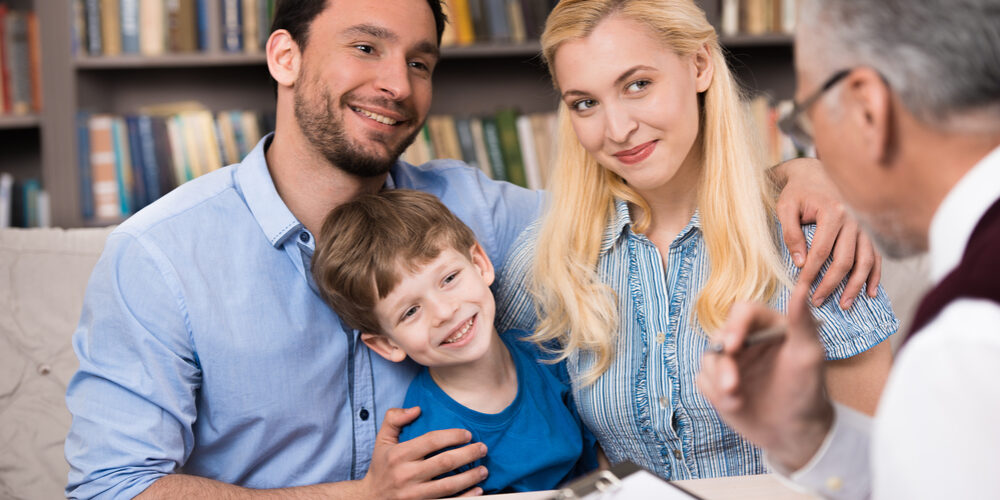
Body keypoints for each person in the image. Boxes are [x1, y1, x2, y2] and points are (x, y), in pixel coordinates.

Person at [64, 0, 883, 498]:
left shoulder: (481, 217)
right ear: (285, 56)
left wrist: (805, 173)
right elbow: (109, 489)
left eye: (419, 61)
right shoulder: (161, 257)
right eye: (364, 46)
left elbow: (658, 191)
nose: (396, 82)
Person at [495, 0, 897, 481]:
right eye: (586, 103)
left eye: (638, 84)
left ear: (700, 65)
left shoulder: (810, 239)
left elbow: (883, 465)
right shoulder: (548, 260)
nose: (618, 130)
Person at [696, 0, 1000, 498]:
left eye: (809, 121)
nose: (818, 159)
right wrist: (811, 436)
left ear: (867, 109)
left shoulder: (964, 340)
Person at [311, 189, 598, 493]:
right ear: (388, 344)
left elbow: (600, 458)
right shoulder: (429, 442)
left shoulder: (548, 353)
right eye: (410, 311)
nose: (445, 312)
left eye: (449, 279)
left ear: (480, 264)